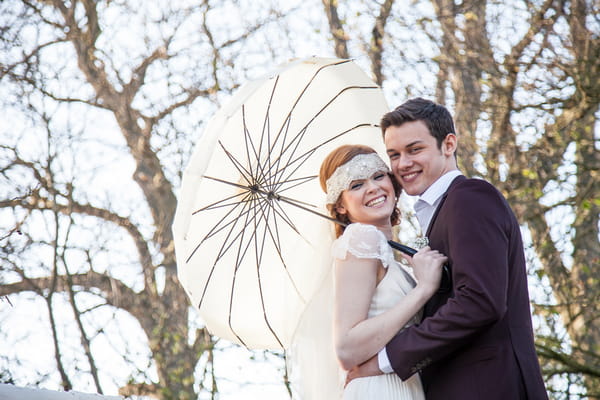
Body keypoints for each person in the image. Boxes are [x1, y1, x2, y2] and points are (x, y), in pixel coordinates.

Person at [347, 98, 548, 399]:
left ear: (449, 144)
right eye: (394, 154)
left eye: (415, 150)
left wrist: (387, 360)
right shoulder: (442, 213)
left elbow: (479, 301)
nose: (403, 164)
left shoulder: (470, 198)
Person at [316, 144, 447, 399]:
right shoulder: (361, 238)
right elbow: (347, 349)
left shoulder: (385, 251)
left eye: (378, 176)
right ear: (340, 206)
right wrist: (423, 290)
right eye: (356, 185)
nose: (373, 188)